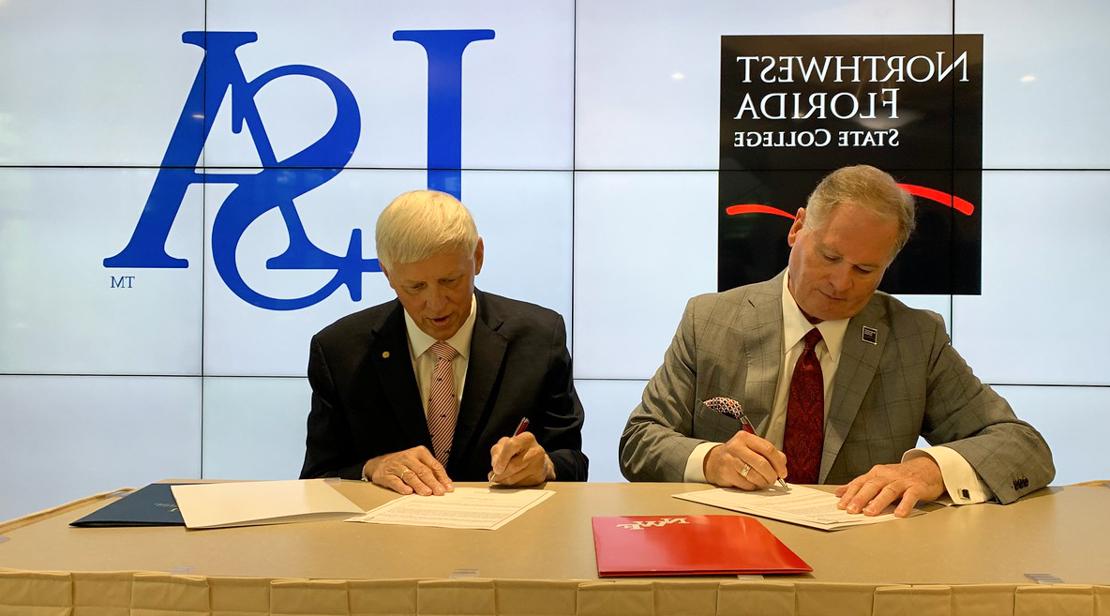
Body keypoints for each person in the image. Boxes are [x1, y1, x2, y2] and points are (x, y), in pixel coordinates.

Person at [619, 165, 1053, 517]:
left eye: (865, 270)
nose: (841, 283)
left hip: (860, 557)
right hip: (727, 544)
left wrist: (932, 468)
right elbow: (639, 441)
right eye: (829, 256)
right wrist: (711, 460)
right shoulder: (710, 319)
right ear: (797, 228)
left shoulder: (915, 337)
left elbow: (1024, 447)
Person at [301, 189, 587, 494]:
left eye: (450, 281)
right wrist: (372, 468)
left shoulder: (540, 337)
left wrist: (544, 466)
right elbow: (317, 479)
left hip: (507, 536)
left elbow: (573, 461)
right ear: (387, 274)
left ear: (477, 257)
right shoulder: (340, 351)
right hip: (387, 537)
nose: (436, 304)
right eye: (415, 286)